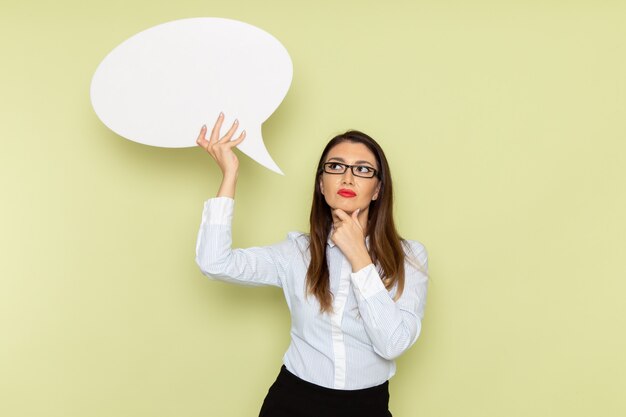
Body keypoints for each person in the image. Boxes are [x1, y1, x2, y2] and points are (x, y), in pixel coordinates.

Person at [195, 113, 429, 417]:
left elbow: (393, 344)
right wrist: (230, 173)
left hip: (366, 407)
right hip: (293, 402)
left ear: (378, 189)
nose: (347, 177)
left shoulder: (409, 256)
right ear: (321, 184)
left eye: (362, 169)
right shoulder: (296, 253)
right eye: (336, 166)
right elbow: (215, 262)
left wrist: (359, 256)